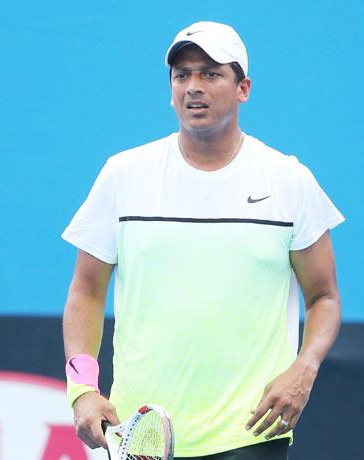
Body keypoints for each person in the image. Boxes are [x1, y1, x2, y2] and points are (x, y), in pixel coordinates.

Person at [62, 21, 343, 459]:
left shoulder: (289, 180)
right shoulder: (123, 174)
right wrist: (81, 388)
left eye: (210, 74)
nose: (193, 87)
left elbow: (324, 296)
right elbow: (86, 289)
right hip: (138, 435)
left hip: (249, 433)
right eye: (182, 75)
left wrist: (303, 370)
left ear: (243, 88)